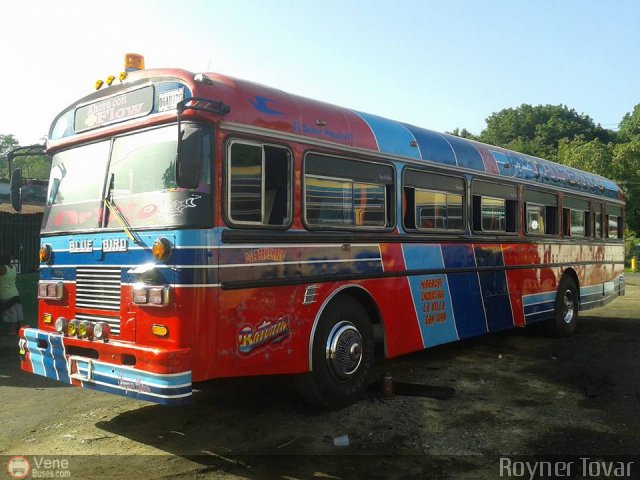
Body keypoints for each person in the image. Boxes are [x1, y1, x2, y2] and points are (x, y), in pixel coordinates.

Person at [0, 252, 23, 335]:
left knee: (11, 314)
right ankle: (20, 330)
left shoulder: (2, 269)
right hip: (15, 293)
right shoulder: (13, 267)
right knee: (18, 313)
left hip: (6, 295)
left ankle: (12, 331)